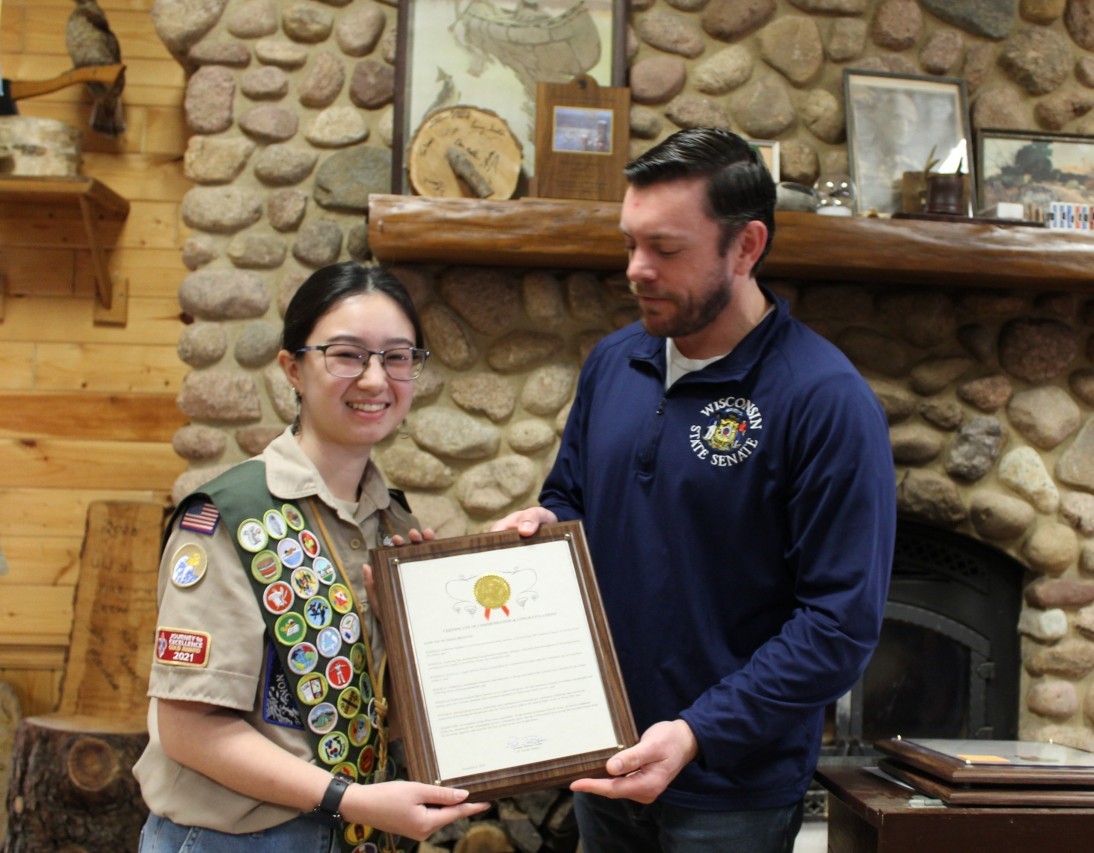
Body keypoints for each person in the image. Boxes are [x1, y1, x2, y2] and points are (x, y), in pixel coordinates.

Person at [492, 128, 896, 852]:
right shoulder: (614, 362)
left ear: (746, 248)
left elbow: (838, 624)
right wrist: (539, 528)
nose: (637, 270)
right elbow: (571, 498)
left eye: (667, 249)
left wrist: (696, 732)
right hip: (603, 759)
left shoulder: (826, 400)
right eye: (629, 244)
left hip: (729, 793)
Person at [134, 262, 490, 853]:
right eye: (347, 354)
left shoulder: (397, 527)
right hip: (237, 840)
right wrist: (347, 799)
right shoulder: (231, 517)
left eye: (398, 357)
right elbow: (189, 729)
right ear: (292, 369)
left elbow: (386, 717)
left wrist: (413, 637)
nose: (376, 379)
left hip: (357, 834)